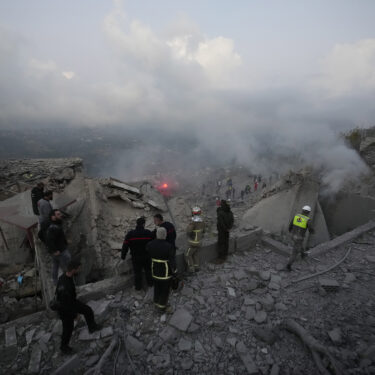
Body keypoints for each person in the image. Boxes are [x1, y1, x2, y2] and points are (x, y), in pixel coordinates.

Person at [56, 259, 101, 354]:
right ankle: (64, 348)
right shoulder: (65, 286)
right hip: (65, 309)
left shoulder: (66, 277)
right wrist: (74, 315)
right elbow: (65, 304)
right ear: (73, 270)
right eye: (79, 269)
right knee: (68, 329)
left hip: (71, 302)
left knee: (87, 310)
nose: (80, 270)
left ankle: (92, 327)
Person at [146, 227, 176, 312]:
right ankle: (162, 307)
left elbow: (148, 254)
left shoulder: (150, 244)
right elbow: (172, 261)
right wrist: (175, 272)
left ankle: (156, 301)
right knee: (165, 290)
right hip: (165, 273)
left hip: (154, 271)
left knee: (157, 287)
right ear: (165, 235)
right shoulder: (169, 246)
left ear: (157, 234)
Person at [121, 217, 153, 290]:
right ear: (144, 224)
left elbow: (125, 245)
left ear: (137, 224)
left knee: (137, 273)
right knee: (148, 271)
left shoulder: (130, 234)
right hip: (146, 256)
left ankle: (138, 288)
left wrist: (123, 256)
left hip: (136, 257)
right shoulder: (148, 233)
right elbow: (154, 243)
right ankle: (150, 285)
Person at [46, 209, 71, 285]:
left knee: (55, 266)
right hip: (60, 251)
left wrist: (66, 242)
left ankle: (55, 282)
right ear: (53, 217)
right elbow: (50, 240)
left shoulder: (56, 225)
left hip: (58, 250)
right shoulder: (53, 228)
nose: (61, 216)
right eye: (58, 214)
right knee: (67, 267)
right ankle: (67, 283)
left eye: (60, 214)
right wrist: (55, 250)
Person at [286, 205, 315, 271]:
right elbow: (311, 230)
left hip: (293, 236)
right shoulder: (307, 220)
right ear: (308, 212)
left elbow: (290, 226)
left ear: (302, 210)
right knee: (294, 253)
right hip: (299, 238)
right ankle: (288, 266)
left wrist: (290, 231)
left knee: (299, 245)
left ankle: (302, 254)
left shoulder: (296, 216)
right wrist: (312, 232)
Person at [185, 207, 205, 273]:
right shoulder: (202, 221)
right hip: (199, 242)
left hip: (193, 242)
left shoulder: (193, 222)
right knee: (195, 254)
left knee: (188, 254)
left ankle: (191, 269)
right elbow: (204, 231)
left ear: (193, 213)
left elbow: (188, 231)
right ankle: (197, 267)